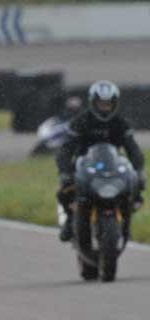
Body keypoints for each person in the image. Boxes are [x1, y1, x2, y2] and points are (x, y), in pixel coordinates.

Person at [56, 80, 145, 241]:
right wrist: (65, 172)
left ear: (115, 104)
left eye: (108, 104)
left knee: (135, 189)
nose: (105, 108)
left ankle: (125, 224)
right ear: (93, 102)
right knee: (64, 191)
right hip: (85, 168)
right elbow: (65, 149)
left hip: (113, 168)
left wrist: (139, 170)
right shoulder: (81, 121)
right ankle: (70, 220)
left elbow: (133, 149)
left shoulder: (121, 123)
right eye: (101, 104)